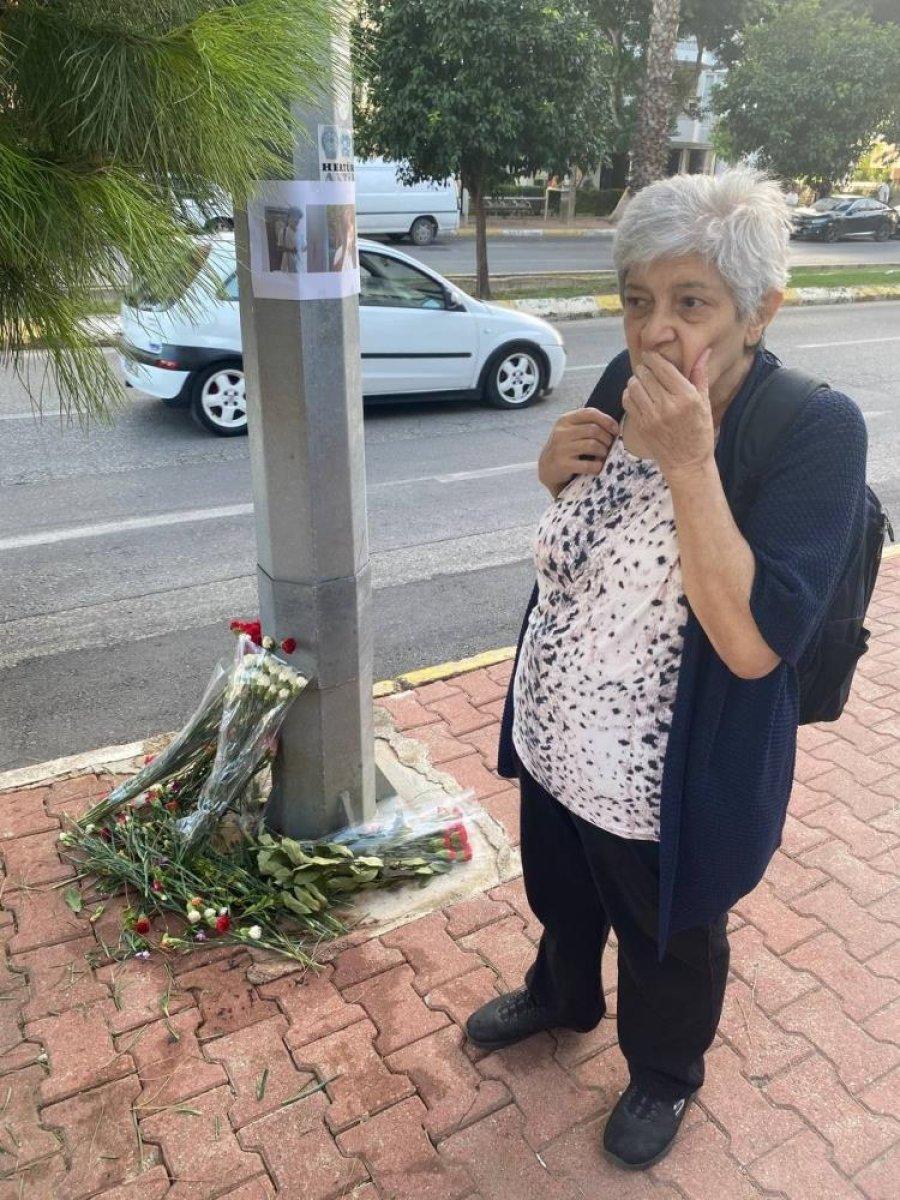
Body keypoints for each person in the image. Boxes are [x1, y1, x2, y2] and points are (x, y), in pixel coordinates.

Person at [465, 167, 868, 1171]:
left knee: (668, 939)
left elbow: (753, 642)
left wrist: (689, 460)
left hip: (667, 782)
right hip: (559, 738)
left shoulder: (811, 429)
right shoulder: (621, 378)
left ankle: (663, 1070)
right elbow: (585, 534)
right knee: (562, 894)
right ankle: (563, 994)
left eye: (691, 303)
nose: (654, 331)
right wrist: (551, 472)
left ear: (758, 312)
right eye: (637, 299)